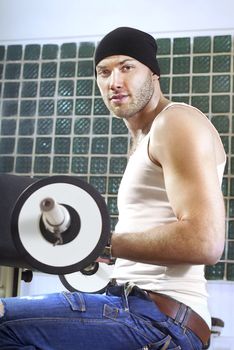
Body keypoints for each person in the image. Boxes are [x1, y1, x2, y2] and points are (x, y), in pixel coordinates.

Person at [0, 27, 226, 350]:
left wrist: (101, 243)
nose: (114, 82)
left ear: (153, 73)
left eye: (127, 67)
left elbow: (205, 241)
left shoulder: (175, 123)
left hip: (158, 320)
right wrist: (98, 254)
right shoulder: (142, 141)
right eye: (104, 72)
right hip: (136, 307)